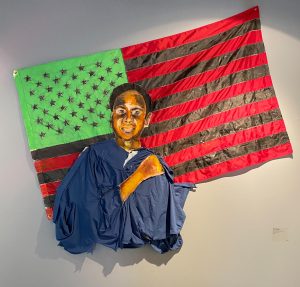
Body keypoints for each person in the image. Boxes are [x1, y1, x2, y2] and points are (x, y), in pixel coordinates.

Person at [53, 83, 195, 254]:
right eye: (121, 112)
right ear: (111, 116)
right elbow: (87, 213)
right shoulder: (93, 157)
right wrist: (138, 176)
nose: (128, 118)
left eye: (136, 113)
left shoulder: (154, 163)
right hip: (99, 260)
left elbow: (161, 227)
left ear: (147, 119)